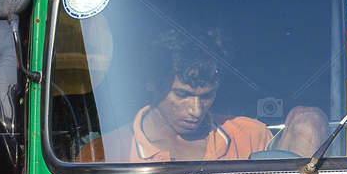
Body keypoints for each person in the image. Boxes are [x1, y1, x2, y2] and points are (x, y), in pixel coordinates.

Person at [81, 32, 326, 162]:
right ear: (151, 83)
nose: (196, 110)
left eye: (207, 96)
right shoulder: (105, 152)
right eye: (182, 94)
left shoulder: (252, 136)